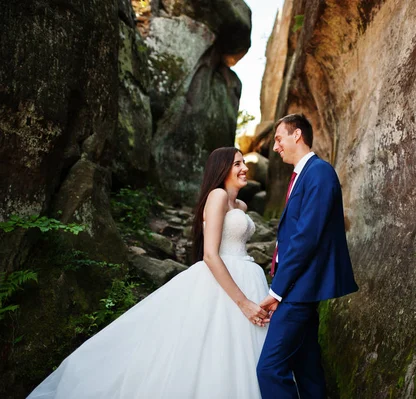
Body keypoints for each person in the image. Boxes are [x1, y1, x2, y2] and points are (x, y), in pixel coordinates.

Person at [29, 147, 270, 399]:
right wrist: (243, 303)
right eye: (237, 164)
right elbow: (210, 254)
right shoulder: (217, 195)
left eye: (244, 163)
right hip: (223, 279)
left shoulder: (240, 205)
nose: (245, 168)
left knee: (237, 350)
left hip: (247, 274)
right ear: (222, 169)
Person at [257, 114, 359, 398]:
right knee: (307, 368)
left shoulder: (319, 173)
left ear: (297, 135)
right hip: (299, 287)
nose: (275, 147)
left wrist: (277, 291)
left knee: (269, 370)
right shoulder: (305, 174)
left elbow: (306, 238)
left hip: (298, 291)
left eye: (279, 139)